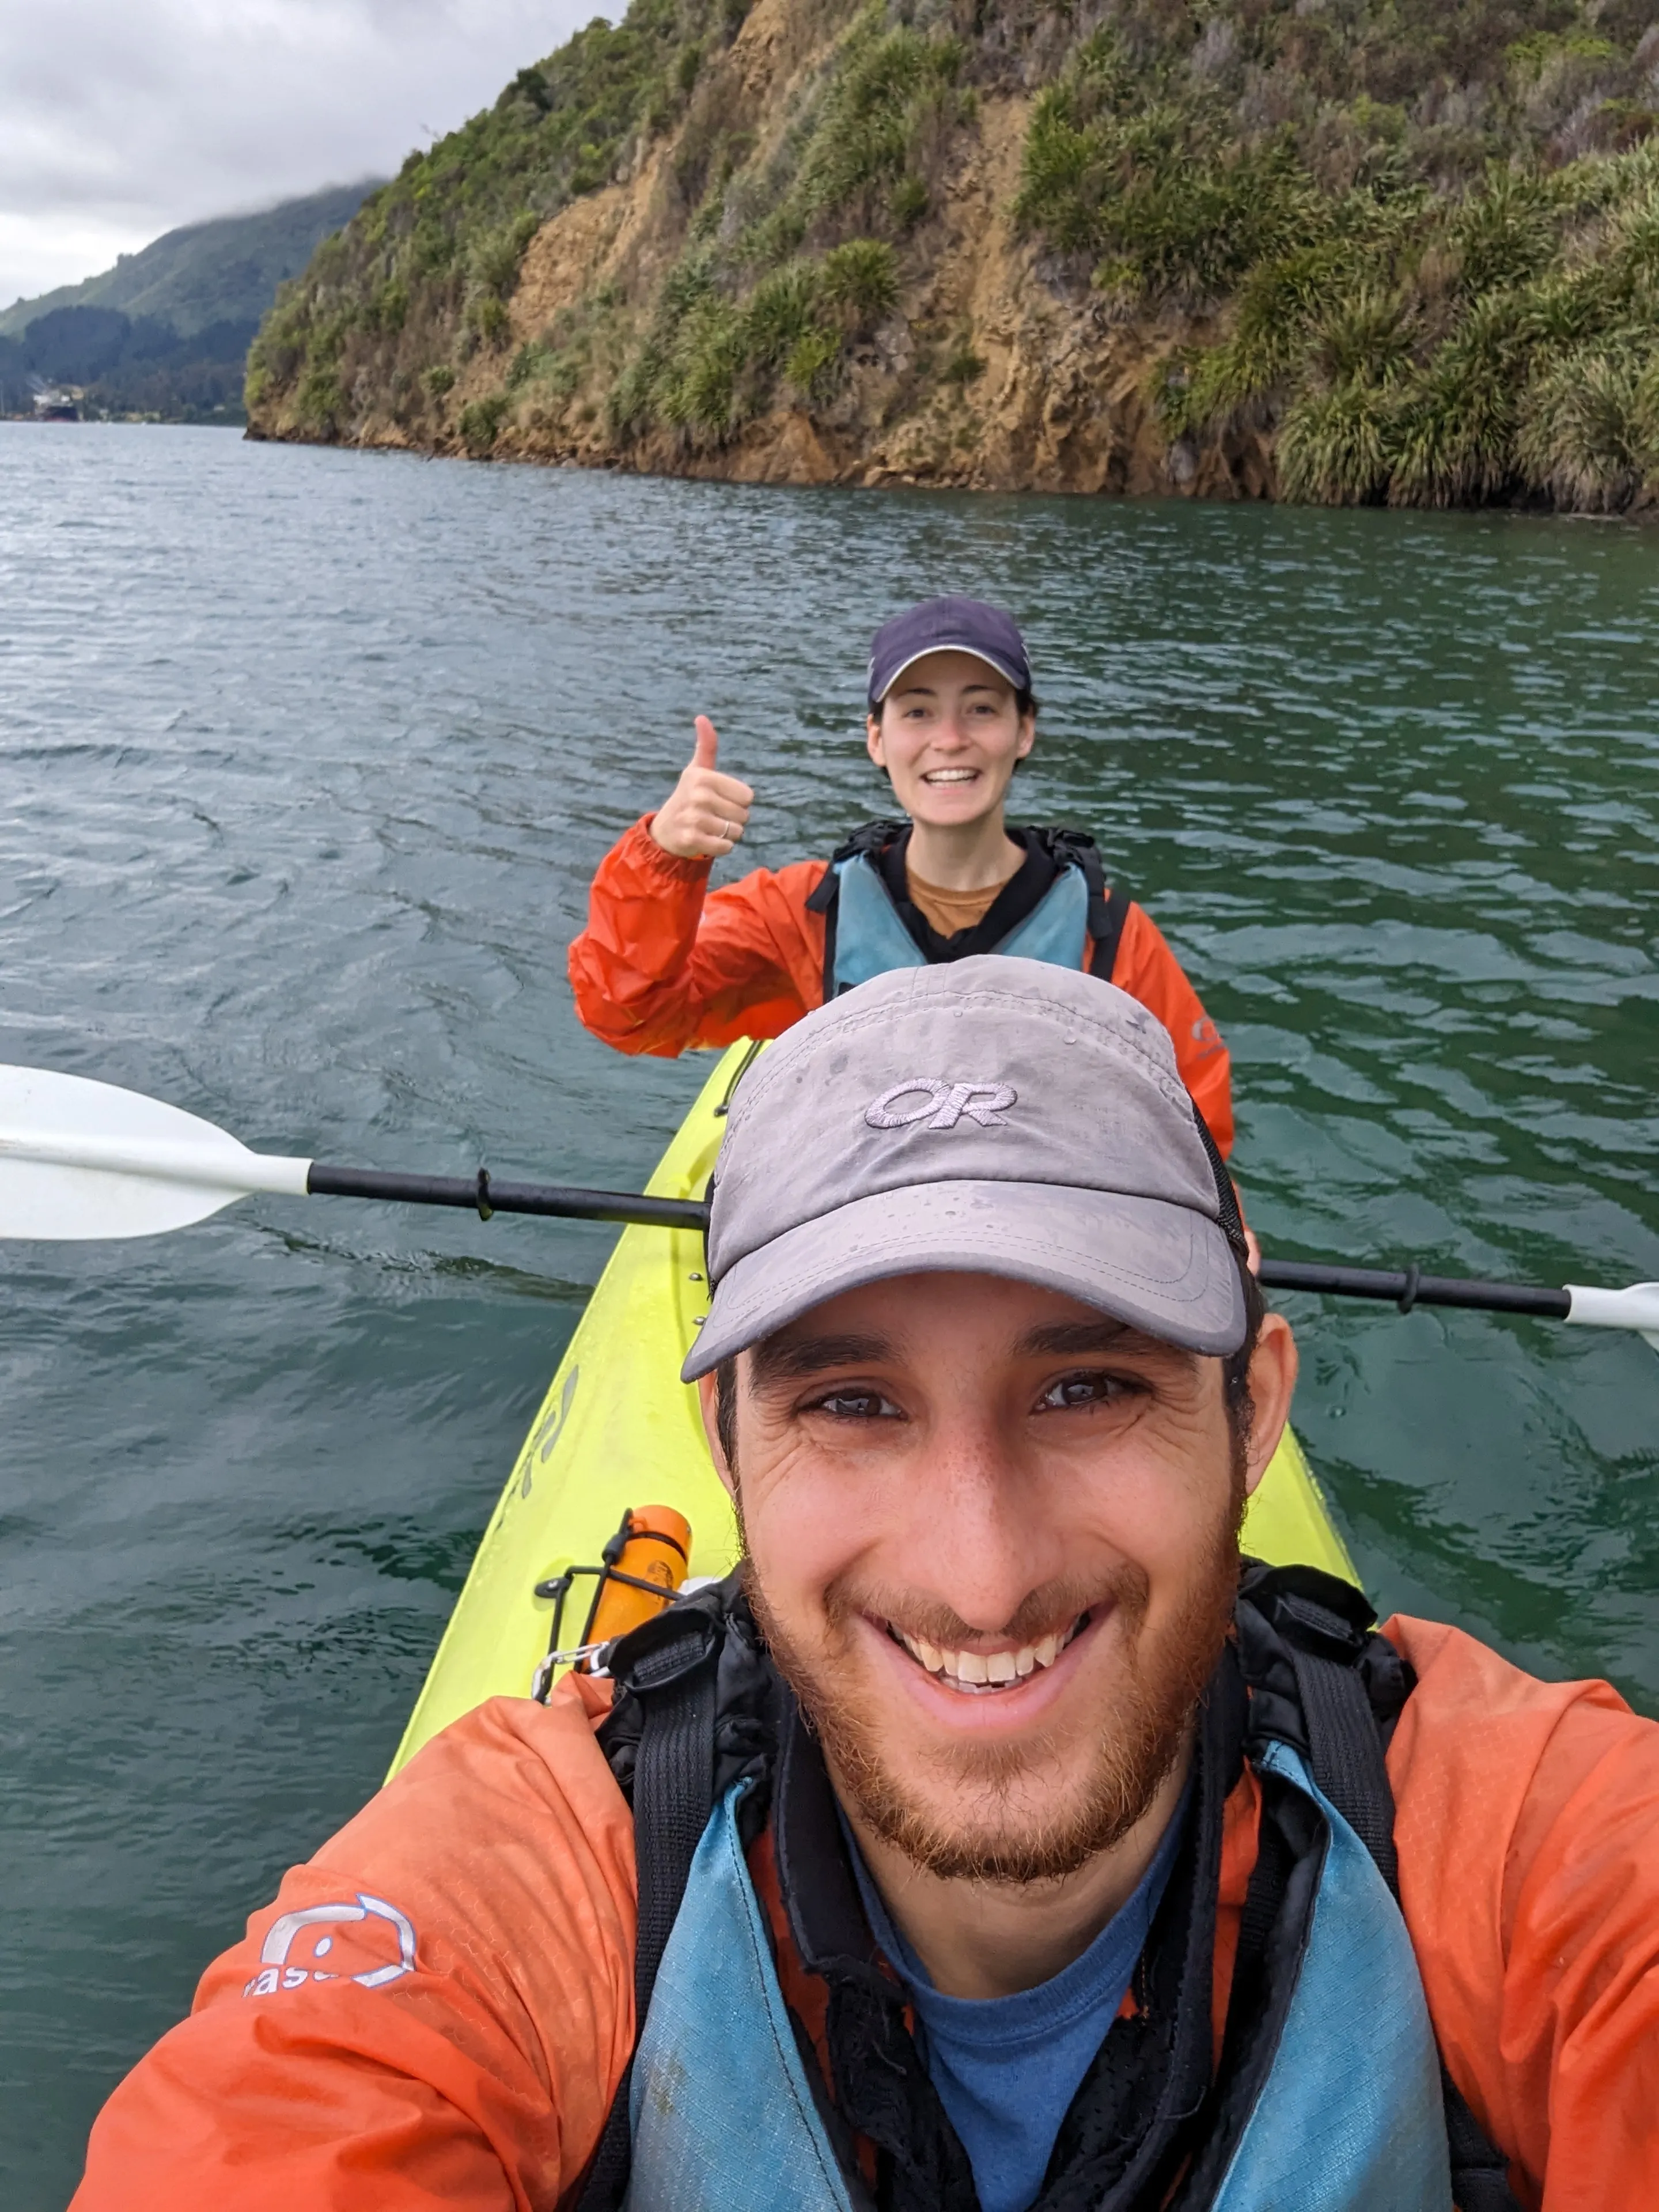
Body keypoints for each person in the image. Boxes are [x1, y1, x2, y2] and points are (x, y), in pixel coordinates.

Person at [74, 959, 1658, 2211]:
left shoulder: (1520, 1840)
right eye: (847, 1401)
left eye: (1092, 1384)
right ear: (727, 1442)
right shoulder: (538, 1871)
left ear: (1251, 1412)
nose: (982, 1578)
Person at [568, 595, 1237, 1158]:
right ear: (877, 739)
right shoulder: (802, 915)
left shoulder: (1112, 936)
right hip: (856, 1236)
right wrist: (665, 859)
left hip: (1042, 1244)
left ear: (1024, 731)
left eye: (982, 708)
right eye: (917, 711)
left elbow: (1194, 1124)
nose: (949, 738)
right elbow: (630, 1016)